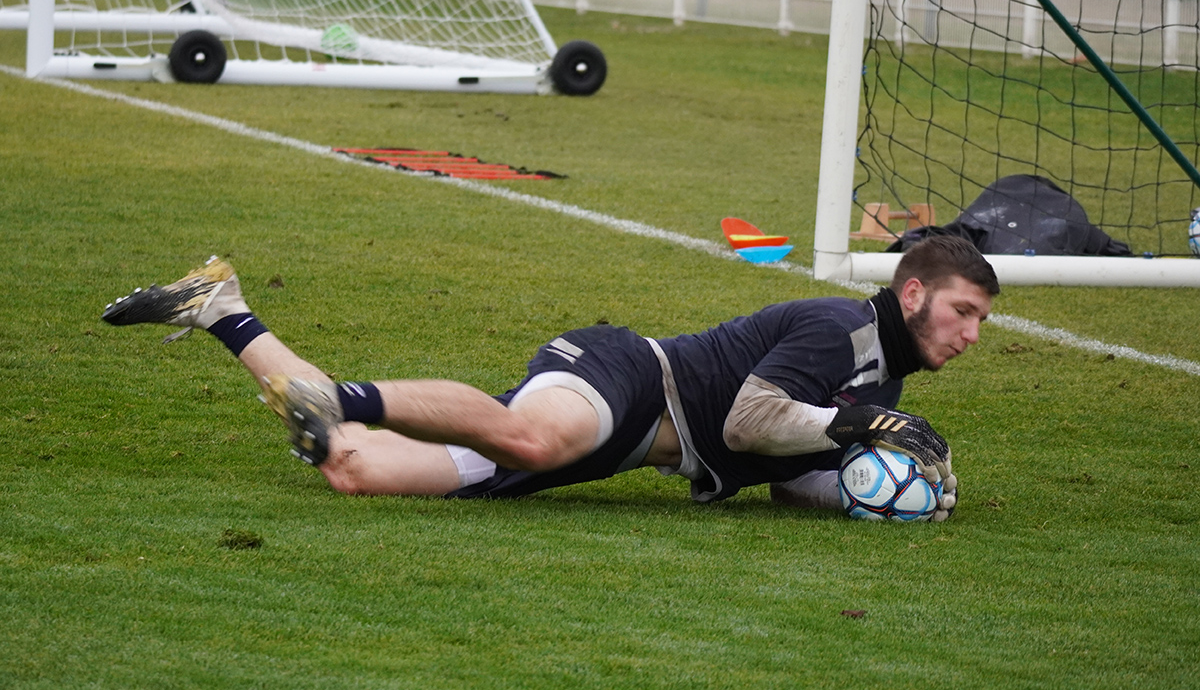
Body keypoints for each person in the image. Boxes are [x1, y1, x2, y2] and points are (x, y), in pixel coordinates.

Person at [101, 235, 998, 519]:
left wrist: (883, 492)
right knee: (529, 433)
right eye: (963, 311)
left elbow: (783, 479)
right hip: (629, 374)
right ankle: (335, 395)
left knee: (353, 468)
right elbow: (750, 424)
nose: (969, 333)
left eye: (981, 322)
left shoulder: (884, 383)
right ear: (912, 292)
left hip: (618, 449)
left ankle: (221, 308)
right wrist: (854, 435)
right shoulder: (844, 326)